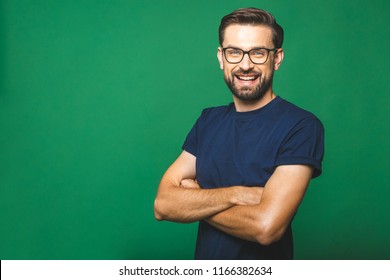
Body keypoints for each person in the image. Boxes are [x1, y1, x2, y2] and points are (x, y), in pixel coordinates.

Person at [154, 7, 324, 260]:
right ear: (221, 57)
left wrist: (196, 200)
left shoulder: (301, 126)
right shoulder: (208, 121)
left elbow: (266, 228)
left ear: (276, 58)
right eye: (234, 52)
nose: (245, 65)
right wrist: (240, 194)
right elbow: (163, 205)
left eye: (258, 53)